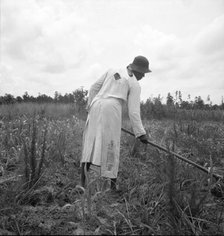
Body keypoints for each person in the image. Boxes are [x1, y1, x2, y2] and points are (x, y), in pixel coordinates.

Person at [80, 55, 151, 191]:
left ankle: (82, 184)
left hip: (96, 105)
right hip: (112, 109)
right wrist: (141, 133)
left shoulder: (112, 70)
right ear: (137, 70)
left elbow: (93, 88)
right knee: (112, 145)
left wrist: (89, 107)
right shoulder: (134, 83)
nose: (144, 76)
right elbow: (134, 111)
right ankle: (112, 187)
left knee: (90, 143)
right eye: (143, 73)